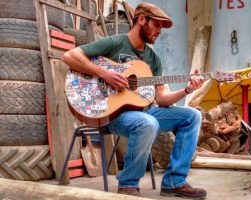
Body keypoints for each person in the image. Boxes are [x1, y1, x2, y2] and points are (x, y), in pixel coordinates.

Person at [62, 2, 207, 199]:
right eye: (156, 25)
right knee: (147, 122)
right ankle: (128, 184)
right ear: (141, 19)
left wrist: (187, 90)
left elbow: (162, 98)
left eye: (161, 28)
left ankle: (174, 181)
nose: (159, 32)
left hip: (145, 112)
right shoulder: (115, 43)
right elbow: (70, 56)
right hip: (111, 113)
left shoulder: (153, 59)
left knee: (192, 115)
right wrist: (105, 74)